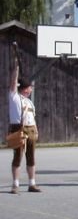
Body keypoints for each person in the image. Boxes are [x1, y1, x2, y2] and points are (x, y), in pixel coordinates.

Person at [8, 45, 41, 194]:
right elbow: (14, 82)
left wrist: (36, 130)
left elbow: (32, 117)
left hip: (31, 129)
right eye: (30, 87)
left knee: (31, 157)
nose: (31, 89)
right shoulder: (14, 97)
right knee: (17, 157)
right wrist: (16, 65)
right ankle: (15, 184)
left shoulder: (30, 102)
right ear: (25, 88)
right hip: (18, 128)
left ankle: (32, 184)